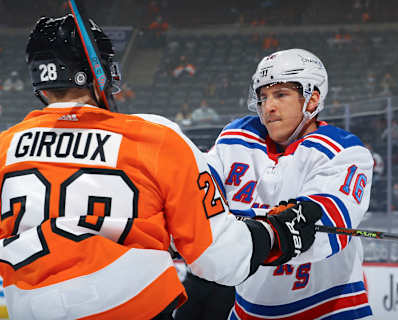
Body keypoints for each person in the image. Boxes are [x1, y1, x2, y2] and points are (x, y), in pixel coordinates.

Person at [0, 15, 322, 320]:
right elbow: (221, 258)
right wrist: (277, 232)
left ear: (40, 84)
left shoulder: (4, 148)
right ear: (103, 72)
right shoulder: (154, 138)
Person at [207, 49, 374, 319]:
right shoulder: (236, 137)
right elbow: (197, 186)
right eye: (263, 97)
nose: (268, 106)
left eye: (280, 95)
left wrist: (265, 230)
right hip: (246, 312)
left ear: (311, 100)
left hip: (330, 311)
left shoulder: (343, 151)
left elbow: (323, 229)